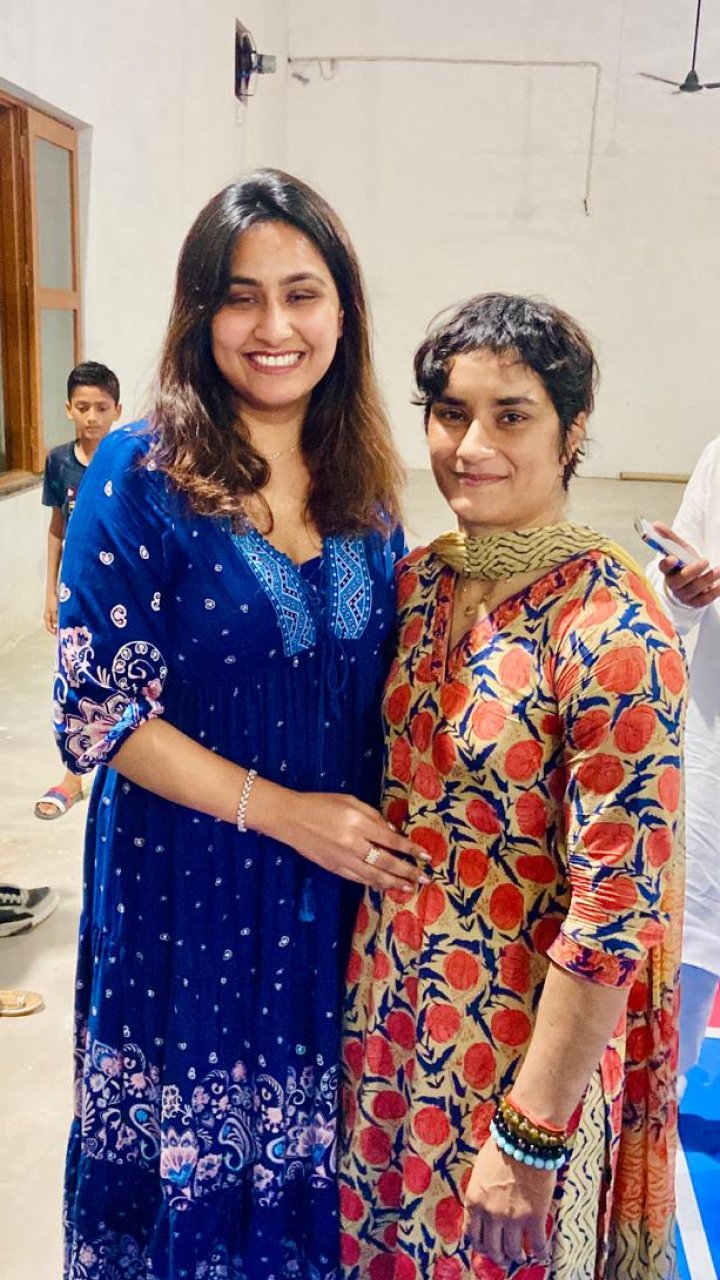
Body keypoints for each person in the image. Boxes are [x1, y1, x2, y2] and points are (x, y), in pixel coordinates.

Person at [55, 169, 427, 1280]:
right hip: (187, 887)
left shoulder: (365, 482)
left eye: (302, 294)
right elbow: (100, 710)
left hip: (331, 898)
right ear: (198, 312)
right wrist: (283, 811)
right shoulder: (139, 470)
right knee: (192, 1181)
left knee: (319, 1177)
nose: (274, 327)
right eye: (240, 296)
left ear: (343, 311)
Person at [340, 294, 686, 1280]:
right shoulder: (418, 584)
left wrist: (530, 1136)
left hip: (517, 1059)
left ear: (573, 431)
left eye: (512, 415)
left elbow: (615, 906)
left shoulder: (612, 631)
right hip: (388, 1028)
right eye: (450, 413)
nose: (472, 445)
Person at [646, 435, 720, 1093]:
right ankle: (660, 1115)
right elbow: (665, 601)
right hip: (712, 749)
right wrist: (680, 592)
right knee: (687, 968)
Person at [36, 362, 122, 820]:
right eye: (83, 407)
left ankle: (123, 769)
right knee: (74, 676)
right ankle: (72, 776)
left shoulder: (130, 460)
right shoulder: (59, 462)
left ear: (117, 410)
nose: (92, 417)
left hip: (121, 590)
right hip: (76, 590)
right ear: (68, 409)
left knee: (123, 677)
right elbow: (57, 528)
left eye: (101, 408)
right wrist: (50, 592)